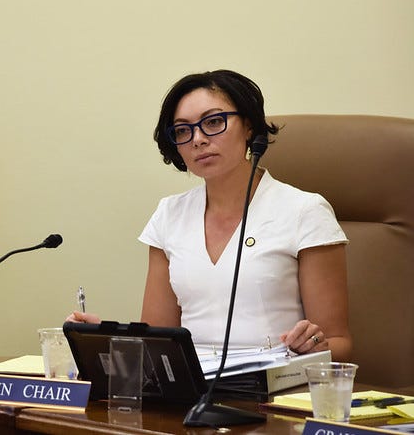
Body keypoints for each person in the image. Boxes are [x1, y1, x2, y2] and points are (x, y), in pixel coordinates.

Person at [69, 70, 352, 361]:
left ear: (249, 126)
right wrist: (107, 339)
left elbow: (338, 342)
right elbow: (158, 339)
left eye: (214, 122)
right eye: (182, 130)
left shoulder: (305, 211)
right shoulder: (169, 214)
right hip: (190, 391)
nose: (198, 139)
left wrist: (314, 345)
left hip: (273, 388)